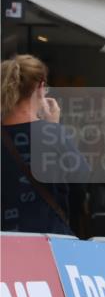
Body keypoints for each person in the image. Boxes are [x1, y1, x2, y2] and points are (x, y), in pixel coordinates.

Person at [1, 55, 88, 235]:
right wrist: (52, 127)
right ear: (40, 87)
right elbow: (80, 182)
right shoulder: (52, 134)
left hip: (6, 242)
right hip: (49, 239)